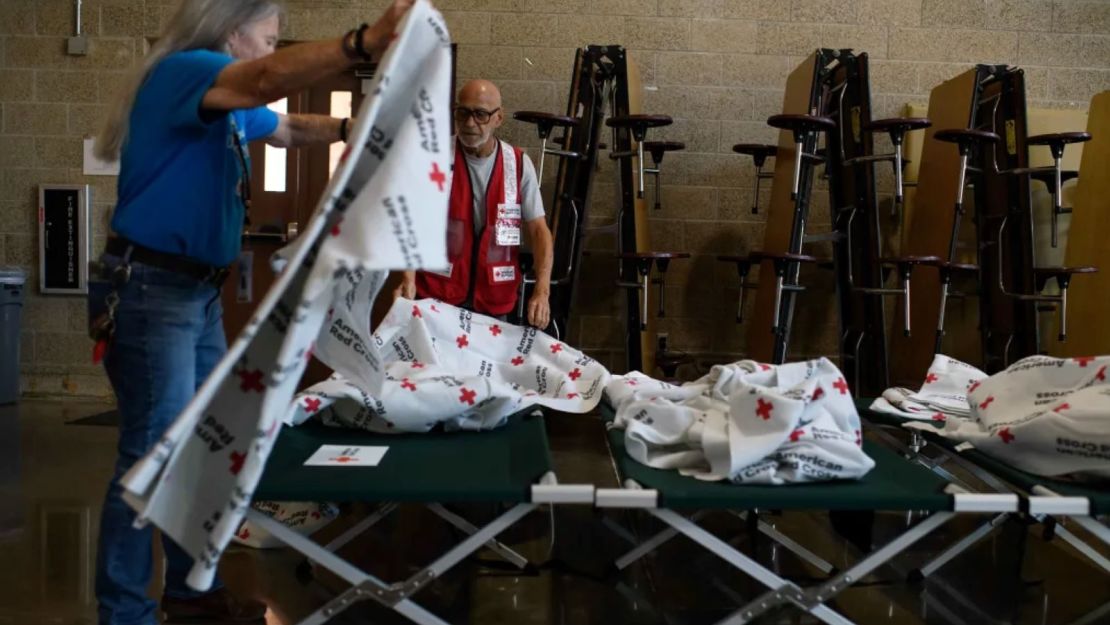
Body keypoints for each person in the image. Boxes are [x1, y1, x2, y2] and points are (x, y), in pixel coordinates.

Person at [90, 0, 416, 622]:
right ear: (231, 33)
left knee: (204, 449)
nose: (269, 51)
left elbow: (290, 129)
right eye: (266, 38)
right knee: (151, 455)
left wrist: (356, 128)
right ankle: (125, 612)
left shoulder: (230, 108)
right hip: (153, 289)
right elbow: (267, 79)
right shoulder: (188, 70)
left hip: (195, 294)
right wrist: (363, 42)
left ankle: (191, 596)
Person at [396, 79, 554, 329]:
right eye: (463, 113)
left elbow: (539, 230)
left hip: (495, 301)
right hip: (438, 296)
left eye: (480, 114)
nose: (470, 123)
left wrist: (542, 291)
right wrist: (408, 277)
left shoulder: (519, 164)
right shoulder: (434, 158)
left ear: (498, 118)